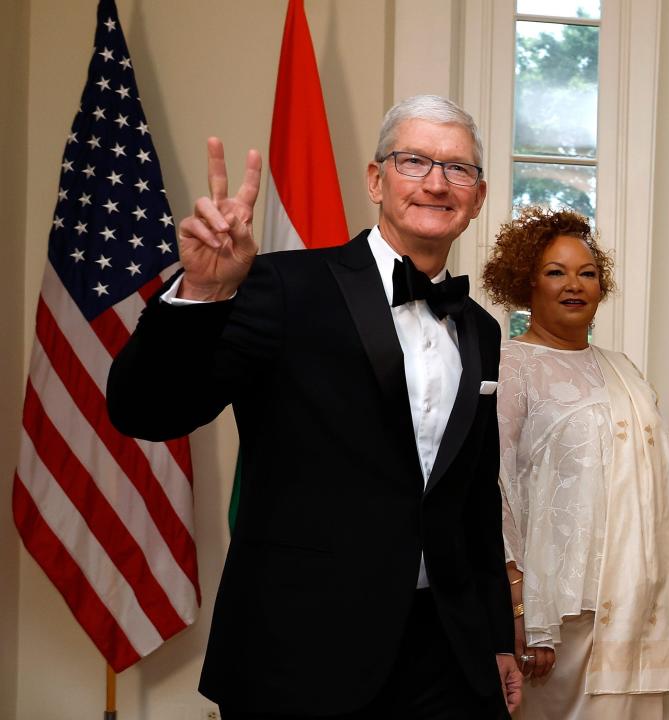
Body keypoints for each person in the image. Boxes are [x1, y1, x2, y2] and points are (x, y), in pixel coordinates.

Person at [107, 95, 521, 719]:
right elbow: (147, 411)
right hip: (300, 650)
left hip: (447, 656)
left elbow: (472, 501)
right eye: (415, 161)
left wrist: (495, 637)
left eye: (457, 169)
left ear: (478, 196)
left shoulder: (482, 332)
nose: (437, 183)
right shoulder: (281, 285)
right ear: (376, 181)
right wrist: (202, 292)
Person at [481, 207, 669, 720]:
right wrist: (518, 607)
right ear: (526, 283)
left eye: (587, 273)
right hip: (558, 615)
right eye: (555, 272)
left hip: (636, 609)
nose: (573, 285)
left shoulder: (622, 368)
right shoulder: (509, 364)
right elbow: (493, 485)